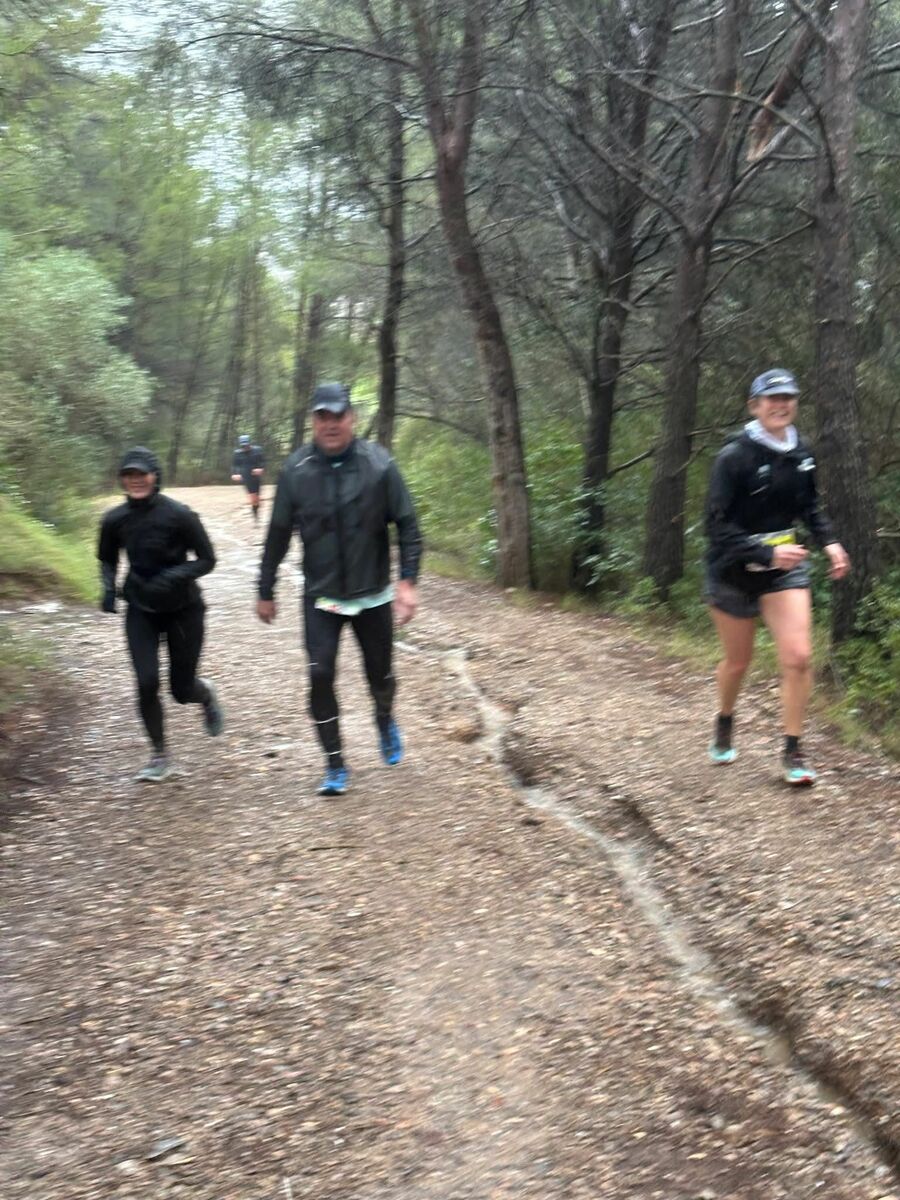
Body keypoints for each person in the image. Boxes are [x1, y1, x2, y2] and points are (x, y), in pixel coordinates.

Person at [257, 383, 423, 797]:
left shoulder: (379, 466)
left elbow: (408, 525)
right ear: (313, 421)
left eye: (338, 416)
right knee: (320, 674)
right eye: (322, 417)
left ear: (352, 418)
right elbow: (278, 534)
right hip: (323, 595)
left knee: (380, 674)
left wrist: (407, 582)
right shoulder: (296, 471)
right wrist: (265, 588)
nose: (330, 424)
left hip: (372, 594)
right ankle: (334, 764)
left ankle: (383, 717)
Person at [704, 368, 851, 785]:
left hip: (783, 572)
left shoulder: (801, 453)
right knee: (738, 662)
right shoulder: (734, 457)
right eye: (773, 399)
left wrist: (829, 542)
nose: (781, 405)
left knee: (799, 657)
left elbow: (810, 507)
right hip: (732, 569)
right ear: (755, 406)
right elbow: (714, 526)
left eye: (788, 397)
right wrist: (765, 552)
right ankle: (725, 718)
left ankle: (792, 750)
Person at [98, 447, 225, 782]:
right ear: (123, 480)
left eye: (141, 474)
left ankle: (205, 694)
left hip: (184, 609)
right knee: (146, 682)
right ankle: (159, 755)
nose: (136, 480)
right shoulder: (114, 519)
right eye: (129, 475)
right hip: (141, 609)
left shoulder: (180, 515)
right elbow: (107, 557)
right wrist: (108, 587)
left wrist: (173, 576)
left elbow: (207, 559)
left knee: (181, 691)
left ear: (155, 477)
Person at [231, 434, 265, 521]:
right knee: (253, 498)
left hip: (256, 477)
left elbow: (262, 461)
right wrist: (235, 473)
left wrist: (261, 468)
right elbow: (235, 465)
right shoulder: (237, 453)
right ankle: (255, 516)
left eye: (246, 445)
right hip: (246, 477)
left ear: (250, 443)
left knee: (257, 499)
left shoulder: (257, 450)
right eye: (243, 446)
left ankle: (256, 508)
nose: (245, 447)